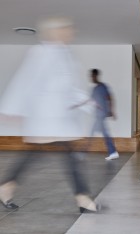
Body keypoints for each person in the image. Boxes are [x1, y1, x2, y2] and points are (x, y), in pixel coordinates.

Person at [0, 17, 99, 213]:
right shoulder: (40, 52)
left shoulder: (66, 55)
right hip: (45, 117)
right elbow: (24, 81)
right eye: (66, 29)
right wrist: (10, 109)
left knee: (39, 154)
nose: (70, 33)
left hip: (59, 118)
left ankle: (6, 187)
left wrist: (87, 101)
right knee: (60, 155)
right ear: (54, 32)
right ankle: (83, 199)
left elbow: (69, 87)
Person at [90, 69, 119, 160]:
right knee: (100, 133)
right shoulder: (95, 89)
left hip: (101, 115)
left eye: (92, 76)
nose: (91, 78)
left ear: (96, 76)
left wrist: (111, 111)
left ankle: (113, 152)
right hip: (98, 115)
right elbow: (92, 101)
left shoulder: (102, 87)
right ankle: (113, 152)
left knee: (99, 133)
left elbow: (110, 98)